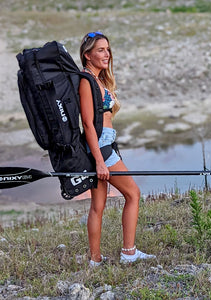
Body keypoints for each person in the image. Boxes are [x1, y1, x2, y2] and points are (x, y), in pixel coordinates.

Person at [79, 31, 156, 266]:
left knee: (98, 206)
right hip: (101, 148)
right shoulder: (86, 81)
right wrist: (99, 161)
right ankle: (128, 253)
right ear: (87, 55)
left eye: (108, 49)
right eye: (101, 50)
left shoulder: (98, 79)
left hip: (104, 145)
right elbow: (88, 124)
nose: (107, 54)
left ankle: (95, 260)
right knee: (133, 194)